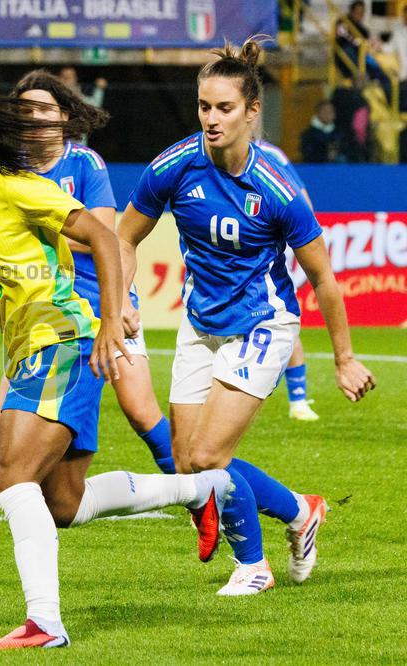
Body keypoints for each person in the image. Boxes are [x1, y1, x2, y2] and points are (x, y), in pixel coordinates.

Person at [0, 69, 233, 650]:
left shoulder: (13, 186)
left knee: (8, 477)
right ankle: (199, 490)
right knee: (64, 504)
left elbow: (104, 235)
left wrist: (109, 322)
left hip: (64, 340)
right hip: (28, 354)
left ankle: (44, 623)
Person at [118, 38, 376, 596]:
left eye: (225, 108)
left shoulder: (278, 190)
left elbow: (324, 279)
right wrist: (120, 299)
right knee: (187, 465)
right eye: (205, 107)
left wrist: (345, 358)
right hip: (200, 322)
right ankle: (301, 511)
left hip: (262, 324)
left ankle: (253, 567)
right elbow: (123, 235)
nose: (212, 120)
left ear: (251, 112)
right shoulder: (173, 166)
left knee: (210, 456)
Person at [0, 69, 174, 475]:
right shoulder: (7, 171)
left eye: (43, 109)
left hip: (98, 295)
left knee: (140, 412)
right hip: (45, 309)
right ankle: (51, 500)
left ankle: (199, 494)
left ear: (64, 117)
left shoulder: (85, 164)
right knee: (3, 419)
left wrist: (120, 301)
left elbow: (102, 237)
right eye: (25, 110)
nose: (34, 118)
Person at [253, 134, 324, 421]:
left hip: (268, 258)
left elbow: (301, 202)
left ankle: (297, 400)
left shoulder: (271, 155)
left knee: (283, 320)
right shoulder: (207, 154)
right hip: (231, 264)